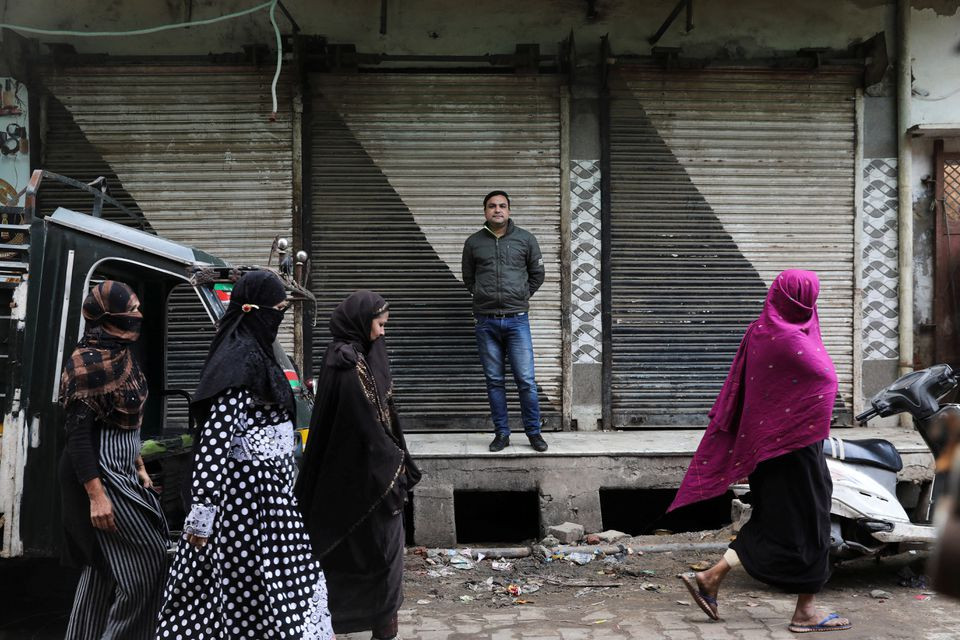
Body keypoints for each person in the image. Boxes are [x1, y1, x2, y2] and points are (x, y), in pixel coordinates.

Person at [669, 270, 851, 633]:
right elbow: (825, 379)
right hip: (794, 446)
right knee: (814, 522)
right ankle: (806, 612)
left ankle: (710, 577)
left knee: (772, 520)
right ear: (804, 300)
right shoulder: (790, 338)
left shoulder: (761, 330)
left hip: (767, 448)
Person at [156, 270, 333, 640]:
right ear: (254, 310)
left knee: (264, 585)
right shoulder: (239, 360)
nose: (280, 318)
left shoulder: (254, 353)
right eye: (278, 310)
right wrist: (202, 514)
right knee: (252, 586)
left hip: (267, 500)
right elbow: (215, 439)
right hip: (245, 504)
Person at [295, 290, 421, 640]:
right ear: (361, 322)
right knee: (376, 557)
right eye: (379, 325)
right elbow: (365, 428)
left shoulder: (357, 355)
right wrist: (394, 469)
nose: (383, 333)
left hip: (366, 477)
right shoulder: (346, 363)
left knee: (377, 558)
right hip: (361, 481)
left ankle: (372, 624)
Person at [59, 280, 169, 640]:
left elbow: (128, 419)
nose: (138, 315)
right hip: (99, 472)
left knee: (103, 569)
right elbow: (77, 437)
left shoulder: (123, 353)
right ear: (108, 317)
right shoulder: (84, 363)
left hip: (124, 468)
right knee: (150, 561)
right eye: (131, 309)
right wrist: (97, 496)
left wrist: (138, 467)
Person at [461, 190, 548, 452]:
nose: (497, 210)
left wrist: (520, 296)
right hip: (486, 322)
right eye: (491, 206)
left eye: (502, 206)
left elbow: (537, 274)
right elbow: (468, 278)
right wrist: (484, 296)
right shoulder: (474, 242)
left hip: (517, 321)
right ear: (485, 211)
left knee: (526, 380)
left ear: (509, 210)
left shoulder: (525, 239)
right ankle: (502, 433)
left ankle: (534, 433)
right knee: (494, 381)